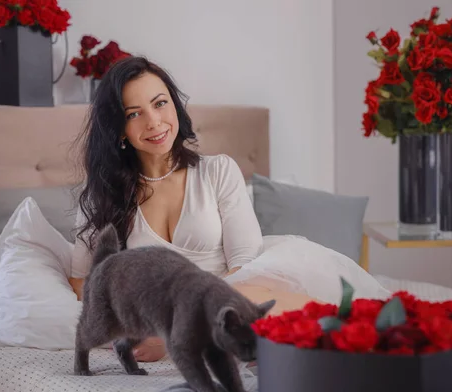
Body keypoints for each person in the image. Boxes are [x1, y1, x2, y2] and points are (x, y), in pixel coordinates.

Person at [69, 56, 390, 362]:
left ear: (175, 105)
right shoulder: (103, 196)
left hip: (232, 296)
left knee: (257, 296)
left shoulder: (217, 171)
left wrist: (178, 331)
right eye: (133, 113)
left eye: (160, 103)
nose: (154, 122)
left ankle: (376, 341)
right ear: (119, 129)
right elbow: (84, 283)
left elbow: (246, 262)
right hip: (185, 318)